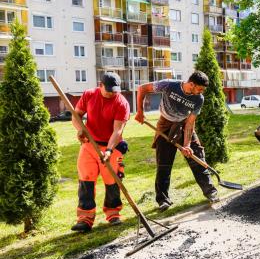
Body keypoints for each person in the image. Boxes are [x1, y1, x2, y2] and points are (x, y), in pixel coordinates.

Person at [135, 71, 219, 212]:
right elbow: (142, 88)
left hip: (183, 124)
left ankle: (211, 192)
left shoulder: (199, 99)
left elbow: (190, 123)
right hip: (165, 124)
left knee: (196, 156)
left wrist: (186, 145)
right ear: (191, 84)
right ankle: (163, 200)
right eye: (200, 89)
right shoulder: (168, 84)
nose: (201, 92)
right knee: (164, 163)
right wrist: (140, 112)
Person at [71, 72, 130, 233]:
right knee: (86, 180)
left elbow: (118, 131)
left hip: (111, 145)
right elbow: (76, 115)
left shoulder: (122, 103)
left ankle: (113, 214)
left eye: (115, 90)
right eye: (108, 89)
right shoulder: (89, 95)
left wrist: (109, 150)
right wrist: (80, 130)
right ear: (100, 85)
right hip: (89, 144)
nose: (112, 93)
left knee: (112, 180)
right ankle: (85, 219)